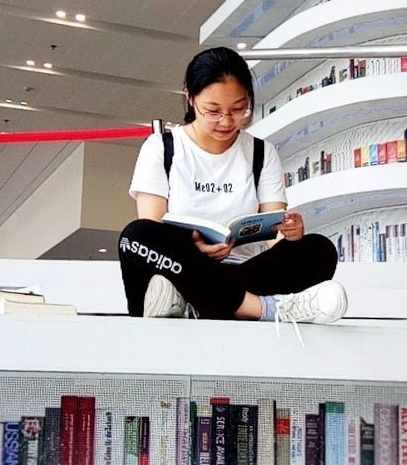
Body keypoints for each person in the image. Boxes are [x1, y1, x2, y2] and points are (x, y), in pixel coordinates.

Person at [118, 46, 347, 327]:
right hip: (175, 271)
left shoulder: (262, 153)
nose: (226, 121)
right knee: (136, 236)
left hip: (240, 273)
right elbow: (152, 226)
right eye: (212, 111)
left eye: (239, 110)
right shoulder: (162, 148)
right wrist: (195, 252)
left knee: (318, 249)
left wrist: (290, 234)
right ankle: (264, 308)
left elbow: (273, 235)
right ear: (190, 98)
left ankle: (195, 304)